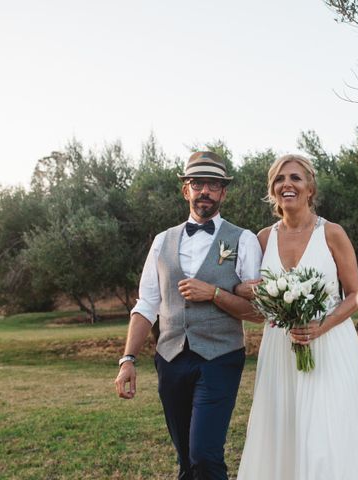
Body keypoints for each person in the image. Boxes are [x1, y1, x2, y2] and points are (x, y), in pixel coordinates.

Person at [114, 151, 263, 480]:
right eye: (198, 184)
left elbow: (257, 312)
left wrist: (214, 293)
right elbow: (146, 304)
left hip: (221, 357)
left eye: (213, 185)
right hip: (170, 358)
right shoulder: (160, 242)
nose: (205, 191)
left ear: (223, 192)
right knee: (186, 461)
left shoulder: (244, 240)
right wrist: (128, 359)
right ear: (186, 190)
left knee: (205, 455)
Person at [235, 154, 358, 480]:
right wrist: (246, 288)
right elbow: (245, 287)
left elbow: (357, 293)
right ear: (272, 190)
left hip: (330, 347)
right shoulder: (263, 238)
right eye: (280, 179)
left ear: (310, 188)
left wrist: (319, 326)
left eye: (295, 178)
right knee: (285, 433)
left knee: (325, 437)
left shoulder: (332, 234)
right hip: (280, 350)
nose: (287, 184)